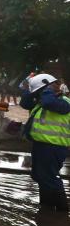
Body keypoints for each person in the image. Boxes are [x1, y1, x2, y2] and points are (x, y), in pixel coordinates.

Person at [20, 73, 70, 212]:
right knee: (40, 176)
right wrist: (31, 87)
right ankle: (46, 208)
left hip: (53, 146)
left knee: (50, 177)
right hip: (42, 145)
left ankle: (62, 212)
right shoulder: (43, 101)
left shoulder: (63, 102)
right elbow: (24, 103)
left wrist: (46, 88)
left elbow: (49, 102)